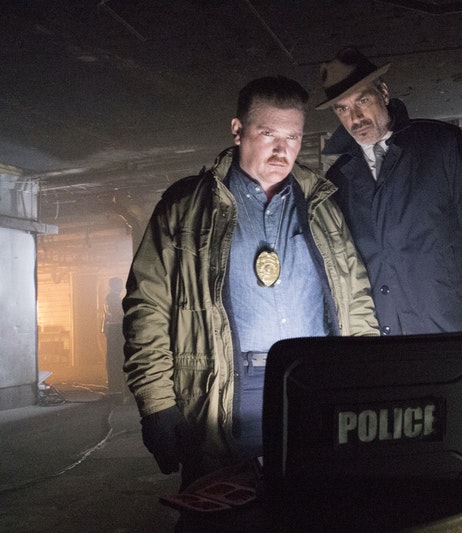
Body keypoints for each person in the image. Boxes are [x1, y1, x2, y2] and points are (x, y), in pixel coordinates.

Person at [122, 75, 378, 488]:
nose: (282, 150)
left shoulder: (323, 206)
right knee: (227, 506)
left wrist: (368, 384)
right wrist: (156, 404)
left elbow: (357, 298)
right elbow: (146, 309)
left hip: (316, 385)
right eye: (268, 134)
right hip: (226, 392)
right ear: (238, 130)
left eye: (293, 137)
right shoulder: (185, 207)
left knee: (317, 504)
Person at [316, 48, 462, 462]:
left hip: (454, 334)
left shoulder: (442, 146)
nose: (354, 117)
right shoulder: (339, 180)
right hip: (388, 352)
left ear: (384, 92)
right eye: (342, 109)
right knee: (409, 459)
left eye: (362, 100)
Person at [102, 277, 127, 403]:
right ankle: (116, 388)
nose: (122, 287)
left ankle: (115, 388)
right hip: (116, 329)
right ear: (114, 286)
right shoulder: (113, 298)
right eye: (120, 285)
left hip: (113, 329)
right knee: (117, 358)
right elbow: (118, 313)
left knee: (114, 358)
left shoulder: (111, 297)